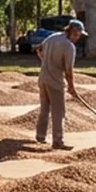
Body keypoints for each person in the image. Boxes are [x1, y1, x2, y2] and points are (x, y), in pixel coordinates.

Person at [34, 19, 86, 150]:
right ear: (72, 32)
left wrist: (46, 62)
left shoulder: (53, 37)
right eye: (77, 35)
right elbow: (69, 70)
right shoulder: (69, 47)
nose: (78, 38)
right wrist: (71, 87)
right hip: (55, 81)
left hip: (43, 78)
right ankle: (58, 140)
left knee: (44, 108)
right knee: (58, 111)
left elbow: (39, 49)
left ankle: (40, 136)